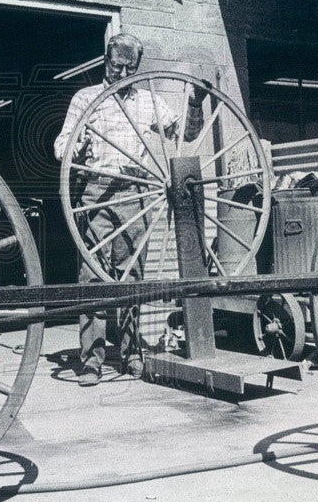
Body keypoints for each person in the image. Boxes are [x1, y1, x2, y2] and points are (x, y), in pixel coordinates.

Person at [54, 33, 207, 386]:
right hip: (96, 192)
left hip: (136, 194)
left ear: (137, 66)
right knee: (91, 278)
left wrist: (195, 105)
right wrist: (76, 143)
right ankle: (90, 361)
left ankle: (131, 353)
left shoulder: (147, 102)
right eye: (115, 65)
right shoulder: (86, 99)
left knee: (131, 277)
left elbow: (183, 134)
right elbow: (62, 145)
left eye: (129, 67)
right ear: (104, 60)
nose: (121, 73)